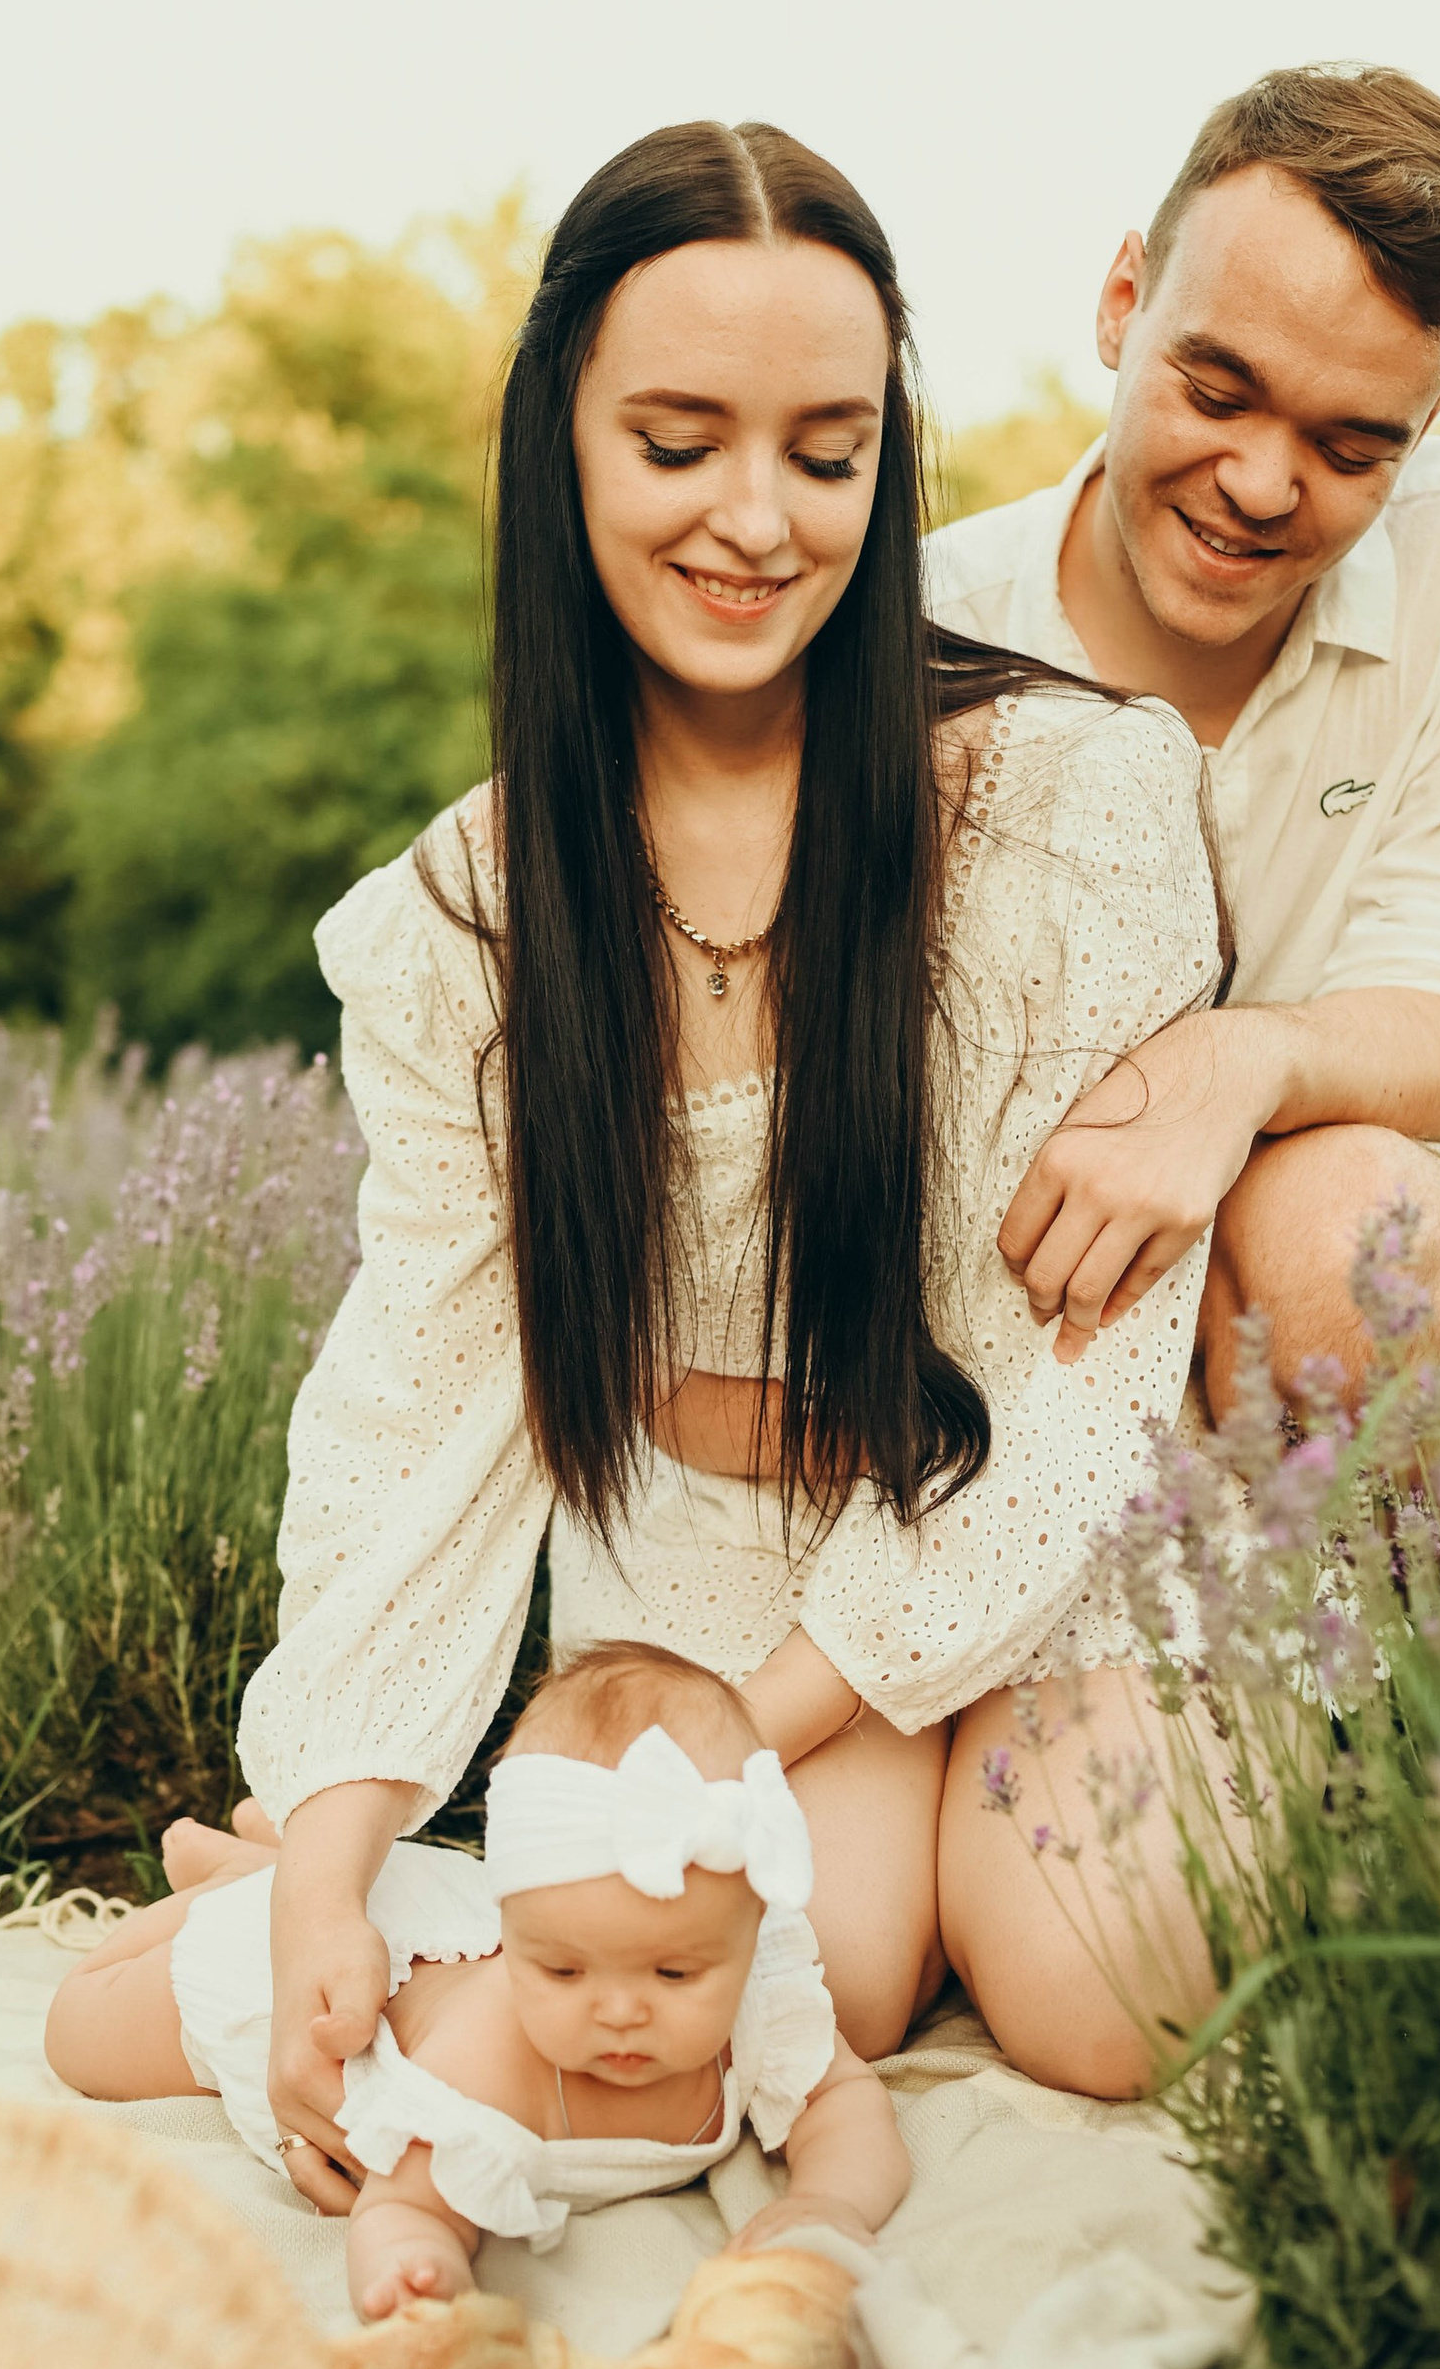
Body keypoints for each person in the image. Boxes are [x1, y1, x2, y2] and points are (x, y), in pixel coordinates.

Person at [191, 118, 1238, 2171]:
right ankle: (284, 1894)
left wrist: (730, 1751)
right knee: (791, 1981)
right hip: (703, 1586)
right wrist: (331, 1834)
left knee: (1116, 1984)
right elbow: (418, 1392)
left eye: (824, 452)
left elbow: (1091, 1376)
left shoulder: (1065, 807)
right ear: (559, 441)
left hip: (1028, 1540)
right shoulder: (466, 920)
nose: (756, 519)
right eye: (678, 443)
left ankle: (960, 1857)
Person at [929, 63, 1440, 1417]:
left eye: (1353, 448)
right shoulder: (923, 625)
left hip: (1351, 1247)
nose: (1261, 484)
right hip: (1010, 1275)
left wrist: (1227, 1065)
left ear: (1439, 408)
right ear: (1124, 301)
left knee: (1358, 1232)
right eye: (1220, 394)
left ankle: (1408, 1619)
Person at [46, 1640, 909, 2325]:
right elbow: (401, 2207)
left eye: (674, 1971)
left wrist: (829, 2201)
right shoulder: (488, 2063)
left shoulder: (765, 1991)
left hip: (433, 1920)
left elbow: (844, 2102)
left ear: (752, 1927)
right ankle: (243, 1886)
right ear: (519, 1922)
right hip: (330, 1981)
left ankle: (258, 1855)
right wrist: (418, 2268)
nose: (617, 2008)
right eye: (561, 1967)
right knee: (77, 2025)